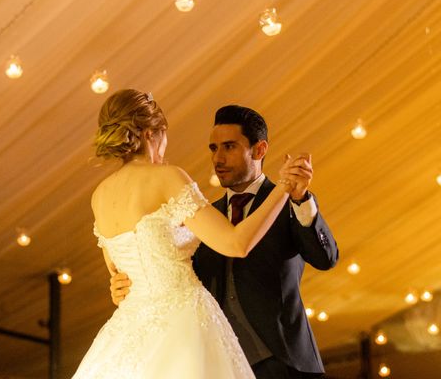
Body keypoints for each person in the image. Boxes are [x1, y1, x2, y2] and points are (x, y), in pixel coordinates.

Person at [72, 90, 310, 379]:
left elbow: (119, 275)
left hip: (128, 331)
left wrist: (118, 288)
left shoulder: (99, 196)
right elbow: (235, 243)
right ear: (150, 134)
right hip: (182, 321)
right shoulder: (167, 177)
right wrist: (284, 187)